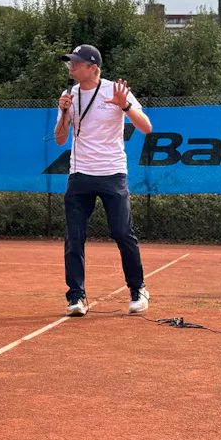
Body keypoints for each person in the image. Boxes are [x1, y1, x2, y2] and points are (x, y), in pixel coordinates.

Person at [54, 44, 153, 317]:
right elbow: (61, 139)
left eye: (76, 63)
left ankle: (138, 289)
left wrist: (126, 106)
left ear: (92, 67)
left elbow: (146, 127)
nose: (70, 67)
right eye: (70, 63)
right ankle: (76, 297)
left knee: (122, 233)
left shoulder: (115, 91)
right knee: (74, 237)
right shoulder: (68, 95)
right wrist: (63, 112)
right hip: (79, 175)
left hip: (112, 174)